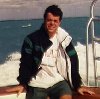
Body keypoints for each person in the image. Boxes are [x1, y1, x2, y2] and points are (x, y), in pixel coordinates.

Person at [6, 5, 95, 99]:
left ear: (59, 22)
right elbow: (25, 62)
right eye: (49, 20)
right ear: (44, 20)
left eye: (55, 21)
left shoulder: (64, 40)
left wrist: (77, 85)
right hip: (37, 83)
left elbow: (73, 60)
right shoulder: (31, 39)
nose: (52, 23)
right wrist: (22, 83)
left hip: (57, 81)